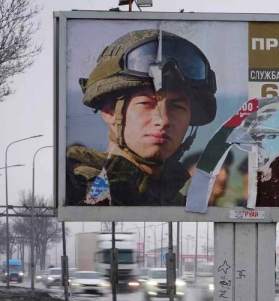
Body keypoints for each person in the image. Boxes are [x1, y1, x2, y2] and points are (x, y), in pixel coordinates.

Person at [66, 29, 217, 206]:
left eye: (177, 107)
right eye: (147, 104)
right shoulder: (73, 188)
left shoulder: (179, 205)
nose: (164, 120)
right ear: (109, 111)